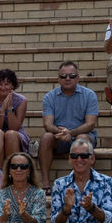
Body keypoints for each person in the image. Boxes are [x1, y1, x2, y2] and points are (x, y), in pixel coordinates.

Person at [39, 61, 99, 192]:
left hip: (82, 136)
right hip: (60, 138)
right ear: (58, 78)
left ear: (78, 78)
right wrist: (62, 133)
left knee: (82, 138)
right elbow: (47, 124)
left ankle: (84, 182)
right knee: (46, 137)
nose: (67, 78)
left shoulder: (89, 95)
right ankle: (45, 183)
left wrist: (70, 133)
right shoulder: (50, 97)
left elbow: (90, 124)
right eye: (63, 76)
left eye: (71, 76)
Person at [0, 68, 29, 158]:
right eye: (0, 84)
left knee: (10, 134)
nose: (3, 87)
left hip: (16, 134)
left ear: (12, 85)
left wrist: (9, 107)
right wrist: (2, 109)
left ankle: (13, 165)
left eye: (6, 84)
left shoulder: (21, 100)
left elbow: (15, 128)